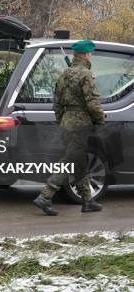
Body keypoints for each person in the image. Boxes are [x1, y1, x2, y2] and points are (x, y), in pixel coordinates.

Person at [34, 40, 105, 216]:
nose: (91, 56)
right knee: (69, 160)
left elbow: (57, 104)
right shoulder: (87, 75)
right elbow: (93, 103)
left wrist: (62, 121)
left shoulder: (64, 74)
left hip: (66, 123)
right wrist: (100, 119)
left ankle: (87, 201)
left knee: (79, 161)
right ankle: (45, 195)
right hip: (80, 125)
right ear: (86, 54)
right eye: (91, 53)